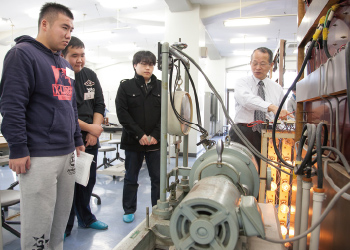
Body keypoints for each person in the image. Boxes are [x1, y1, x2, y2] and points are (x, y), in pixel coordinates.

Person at [0, 3, 85, 250]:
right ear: (45, 24)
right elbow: (12, 105)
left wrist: (77, 138)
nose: (68, 35)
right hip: (39, 154)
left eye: (71, 29)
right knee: (38, 224)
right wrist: (18, 148)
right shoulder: (22, 54)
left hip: (67, 152)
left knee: (59, 221)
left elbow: (71, 106)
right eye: (64, 27)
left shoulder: (65, 65)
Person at [61, 36, 107, 237]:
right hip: (68, 139)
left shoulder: (89, 75)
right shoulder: (60, 76)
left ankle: (86, 219)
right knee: (67, 184)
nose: (79, 60)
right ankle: (65, 226)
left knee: (87, 180)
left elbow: (99, 104)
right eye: (74, 55)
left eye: (82, 55)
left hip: (90, 138)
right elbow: (65, 110)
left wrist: (94, 131)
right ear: (63, 55)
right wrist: (90, 128)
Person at [229, 47, 293, 171]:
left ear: (271, 65)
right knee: (240, 169)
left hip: (268, 134)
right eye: (255, 63)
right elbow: (247, 100)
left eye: (263, 64)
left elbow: (280, 114)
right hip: (243, 133)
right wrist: (270, 107)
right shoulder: (242, 82)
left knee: (266, 170)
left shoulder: (277, 88)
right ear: (250, 63)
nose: (258, 67)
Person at [115, 51, 161, 223]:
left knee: (157, 178)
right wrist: (139, 134)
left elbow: (165, 114)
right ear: (135, 65)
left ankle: (157, 209)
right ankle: (128, 209)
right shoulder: (126, 87)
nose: (148, 67)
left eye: (151, 64)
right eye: (143, 63)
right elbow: (122, 113)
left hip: (155, 142)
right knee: (131, 177)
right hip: (133, 141)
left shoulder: (161, 87)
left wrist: (155, 135)